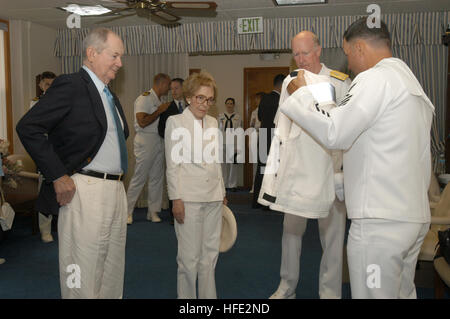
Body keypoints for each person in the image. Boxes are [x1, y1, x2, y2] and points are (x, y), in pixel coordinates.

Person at [280, 18, 434, 299]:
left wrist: (301, 95)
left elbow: (334, 131)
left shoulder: (374, 79)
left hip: (380, 224)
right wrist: (340, 181)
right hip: (412, 218)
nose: (348, 63)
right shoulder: (412, 85)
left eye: (348, 54)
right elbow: (387, 152)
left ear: (360, 47)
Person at [16, 27, 129, 299]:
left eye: (121, 57)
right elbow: (28, 127)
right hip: (86, 191)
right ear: (92, 53)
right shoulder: (71, 84)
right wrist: (58, 175)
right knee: (81, 271)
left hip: (114, 191)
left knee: (111, 271)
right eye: (115, 55)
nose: (120, 63)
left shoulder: (108, 94)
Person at [259, 31, 350, 299]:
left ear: (319, 50)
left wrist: (343, 170)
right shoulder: (289, 82)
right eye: (296, 54)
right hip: (297, 171)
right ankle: (287, 286)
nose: (301, 59)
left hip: (328, 170)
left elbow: (344, 128)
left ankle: (330, 293)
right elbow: (281, 130)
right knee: (291, 233)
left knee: (332, 239)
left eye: (306, 53)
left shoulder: (340, 82)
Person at [165, 71, 227, 299]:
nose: (205, 104)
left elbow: (215, 160)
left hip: (213, 197)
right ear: (189, 97)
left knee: (210, 255)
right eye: (200, 98)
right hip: (188, 197)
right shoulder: (176, 122)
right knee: (189, 259)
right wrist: (176, 199)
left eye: (209, 99)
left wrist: (221, 191)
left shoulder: (212, 122)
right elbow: (173, 165)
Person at [126, 73, 171, 224]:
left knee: (157, 178)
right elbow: (142, 122)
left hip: (158, 140)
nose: (169, 88)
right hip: (145, 139)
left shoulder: (159, 100)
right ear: (161, 84)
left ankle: (153, 212)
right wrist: (159, 110)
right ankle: (127, 212)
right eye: (168, 85)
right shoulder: (144, 98)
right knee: (140, 177)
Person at [30, 71, 57, 243]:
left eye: (53, 84)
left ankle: (61, 225)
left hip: (61, 152)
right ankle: (45, 230)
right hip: (45, 153)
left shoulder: (62, 102)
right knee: (46, 192)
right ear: (41, 86)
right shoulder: (36, 105)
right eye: (47, 84)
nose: (50, 87)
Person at [252, 74, 285, 208]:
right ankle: (268, 203)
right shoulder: (281, 100)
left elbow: (259, 116)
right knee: (272, 172)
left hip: (264, 136)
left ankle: (256, 202)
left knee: (261, 169)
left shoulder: (264, 98)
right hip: (275, 137)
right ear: (282, 85)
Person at [158, 78, 186, 225]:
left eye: (176, 88)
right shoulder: (167, 108)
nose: (173, 91)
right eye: (172, 89)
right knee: (174, 181)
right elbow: (161, 130)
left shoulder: (190, 106)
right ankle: (173, 214)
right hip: (174, 150)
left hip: (189, 152)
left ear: (183, 88)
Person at [217, 98, 242, 192]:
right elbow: (218, 130)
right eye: (227, 103)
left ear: (234, 105)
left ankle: (232, 185)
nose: (229, 105)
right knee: (223, 164)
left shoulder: (238, 117)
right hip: (222, 142)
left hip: (233, 142)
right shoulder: (220, 116)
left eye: (231, 103)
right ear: (225, 104)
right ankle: (224, 184)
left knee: (232, 164)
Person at [249, 92, 264, 193]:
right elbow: (251, 127)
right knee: (255, 164)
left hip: (264, 137)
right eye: (256, 99)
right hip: (255, 136)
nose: (256, 101)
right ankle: (254, 187)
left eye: (258, 99)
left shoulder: (266, 111)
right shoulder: (254, 112)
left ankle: (262, 188)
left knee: (263, 163)